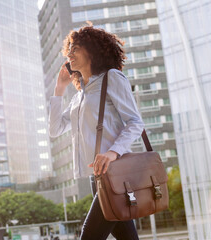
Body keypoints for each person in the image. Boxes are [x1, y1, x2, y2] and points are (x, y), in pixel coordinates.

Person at [48, 23, 144, 240]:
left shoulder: (112, 78)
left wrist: (112, 152)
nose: (70, 54)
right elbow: (55, 130)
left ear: (92, 50)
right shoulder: (80, 95)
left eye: (76, 48)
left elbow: (135, 122)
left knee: (89, 237)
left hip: (114, 173)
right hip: (97, 177)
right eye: (69, 49)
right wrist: (59, 89)